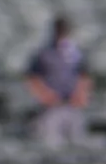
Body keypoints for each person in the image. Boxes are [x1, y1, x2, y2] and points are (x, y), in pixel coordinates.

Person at [26, 16, 93, 148]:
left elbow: (84, 75)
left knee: (78, 143)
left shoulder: (77, 53)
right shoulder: (44, 53)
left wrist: (81, 95)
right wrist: (45, 95)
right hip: (51, 107)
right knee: (52, 144)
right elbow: (32, 77)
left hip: (73, 105)